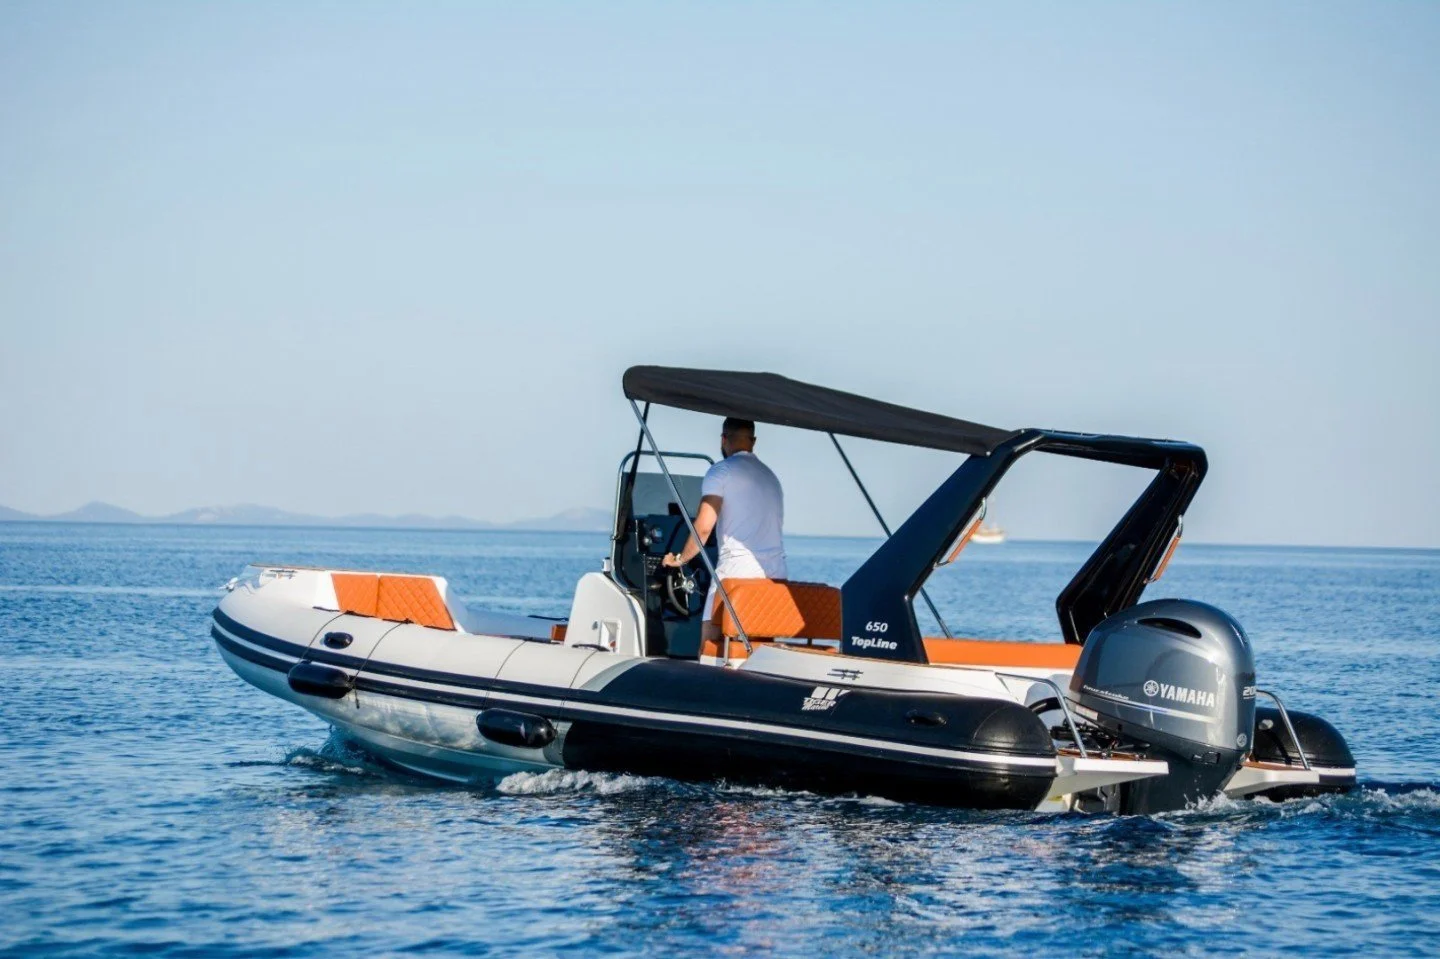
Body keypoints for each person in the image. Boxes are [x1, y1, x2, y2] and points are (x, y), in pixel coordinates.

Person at [661, 416, 787, 646]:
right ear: (753, 441)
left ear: (723, 439)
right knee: (760, 641)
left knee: (711, 637)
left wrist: (680, 559)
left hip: (738, 571)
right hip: (775, 573)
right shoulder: (771, 477)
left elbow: (704, 526)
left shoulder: (721, 472)